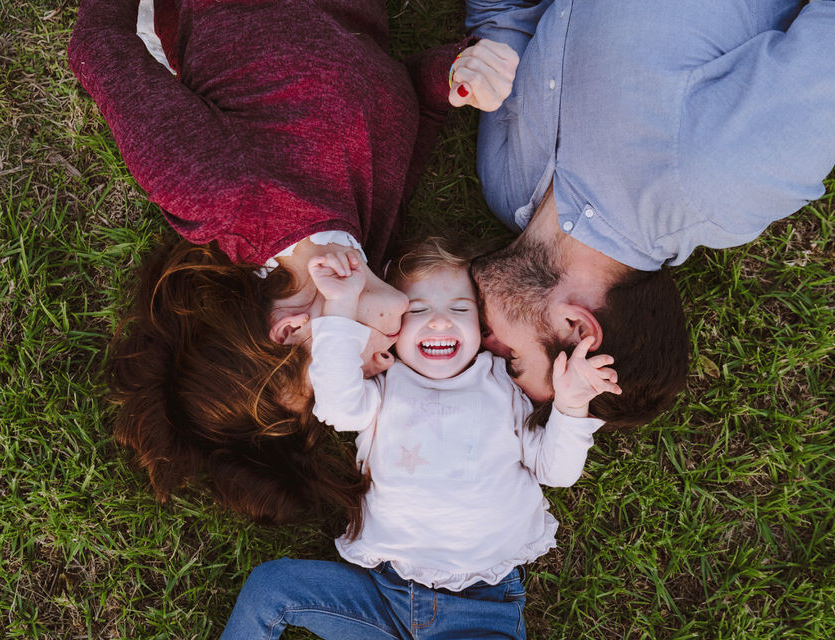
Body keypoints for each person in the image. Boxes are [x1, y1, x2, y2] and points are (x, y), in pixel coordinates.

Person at [66, 0, 515, 525]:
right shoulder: (368, 242)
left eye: (341, 376)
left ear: (290, 330)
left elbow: (96, 46)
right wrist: (455, 75)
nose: (382, 368)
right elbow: (410, 98)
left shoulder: (216, 191)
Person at [452, 0, 835, 428]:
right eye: (509, 358)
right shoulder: (719, 184)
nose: (478, 342)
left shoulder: (504, 186)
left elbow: (505, 19)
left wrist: (478, 62)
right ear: (577, 327)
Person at [220, 239, 622, 639]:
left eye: (459, 309)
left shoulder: (503, 388)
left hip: (478, 607)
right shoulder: (382, 389)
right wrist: (340, 305)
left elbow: (557, 471)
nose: (441, 321)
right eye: (418, 310)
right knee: (271, 588)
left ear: (481, 329)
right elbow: (336, 405)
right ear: (394, 326)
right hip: (382, 596)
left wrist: (570, 407)